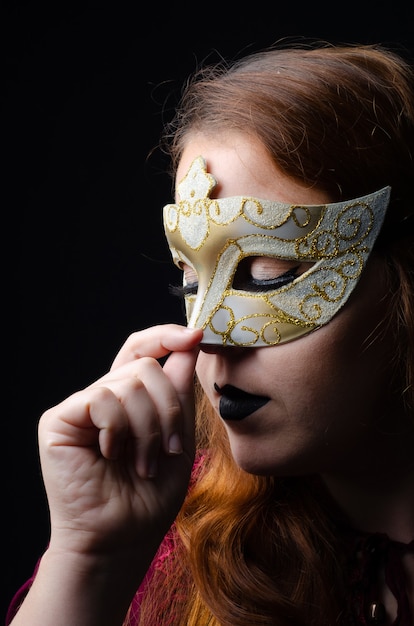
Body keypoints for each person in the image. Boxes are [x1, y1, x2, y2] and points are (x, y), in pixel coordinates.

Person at [6, 41, 414, 626]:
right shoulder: (179, 549)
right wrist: (90, 560)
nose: (207, 336)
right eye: (189, 281)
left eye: (269, 274)